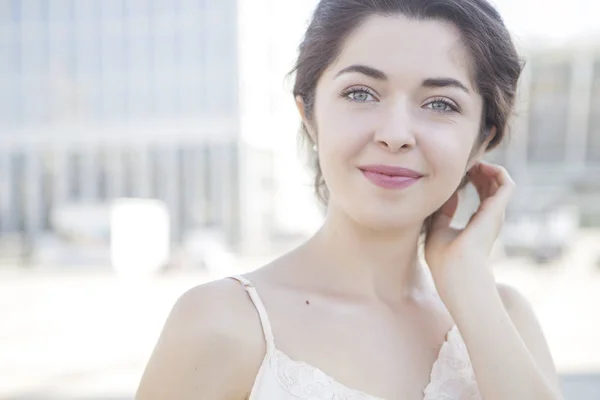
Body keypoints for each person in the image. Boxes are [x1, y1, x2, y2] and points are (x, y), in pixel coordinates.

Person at [136, 0, 563, 399]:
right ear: (309, 114)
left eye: (440, 103)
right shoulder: (222, 322)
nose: (395, 135)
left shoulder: (507, 320)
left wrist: (469, 282)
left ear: (482, 139)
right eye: (360, 93)